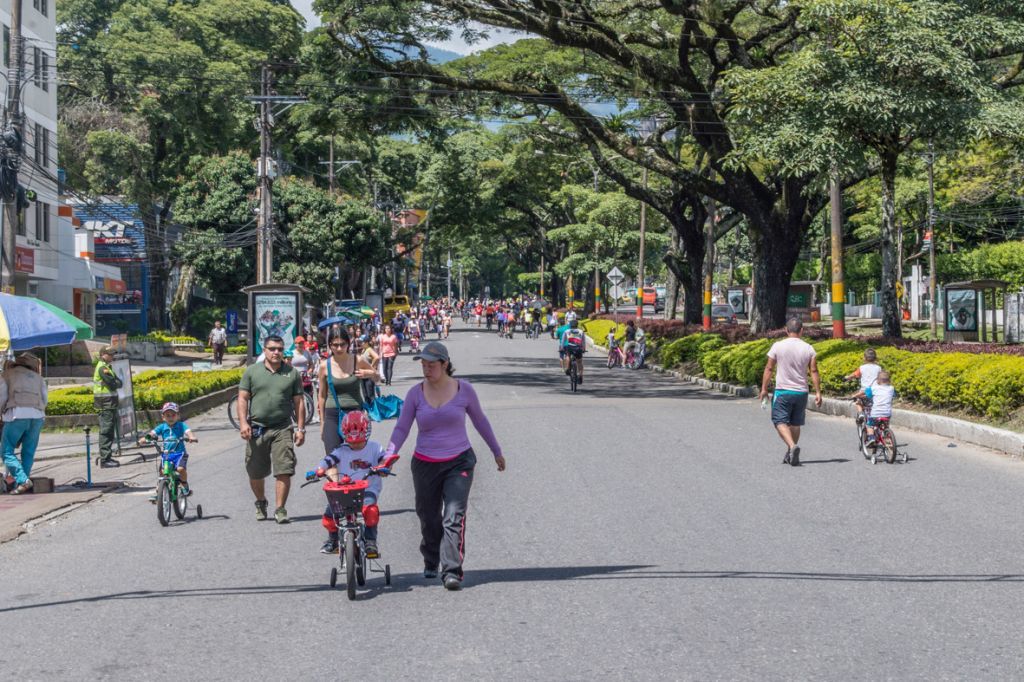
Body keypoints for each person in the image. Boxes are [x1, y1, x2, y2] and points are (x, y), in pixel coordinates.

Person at [386, 341, 505, 590]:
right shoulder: (415, 393)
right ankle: (431, 558)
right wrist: (390, 453)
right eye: (423, 365)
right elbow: (402, 427)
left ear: (445, 364)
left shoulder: (464, 390)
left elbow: (480, 421)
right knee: (428, 516)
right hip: (425, 463)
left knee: (453, 515)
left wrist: (496, 451)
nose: (426, 369)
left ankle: (452, 570)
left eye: (431, 365)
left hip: (459, 461)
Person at [237, 334, 306, 524]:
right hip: (257, 429)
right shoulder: (252, 372)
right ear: (264, 350)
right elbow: (242, 398)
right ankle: (261, 501)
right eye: (272, 349)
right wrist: (243, 423)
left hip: (282, 427)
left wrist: (300, 429)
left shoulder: (292, 373)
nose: (276, 352)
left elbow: (299, 402)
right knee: (255, 472)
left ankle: (280, 508)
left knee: (284, 469)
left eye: (280, 349)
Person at [312, 410, 400, 556]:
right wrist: (320, 469)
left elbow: (384, 460)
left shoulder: (375, 448)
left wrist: (384, 467)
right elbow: (328, 460)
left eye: (359, 442)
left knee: (370, 511)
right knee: (329, 516)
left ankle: (370, 541)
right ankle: (333, 541)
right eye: (352, 442)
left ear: (366, 433)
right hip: (345, 489)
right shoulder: (341, 450)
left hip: (367, 489)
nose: (356, 445)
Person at [758, 317, 822, 467]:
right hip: (801, 392)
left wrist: (764, 389)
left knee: (779, 421)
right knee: (795, 424)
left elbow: (769, 368)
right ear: (802, 330)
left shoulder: (777, 346)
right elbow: (813, 371)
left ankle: (792, 446)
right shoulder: (808, 348)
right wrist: (818, 392)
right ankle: (790, 452)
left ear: (786, 330)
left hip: (783, 391)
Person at [318, 328, 378, 456]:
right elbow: (322, 396)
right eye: (335, 345)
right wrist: (322, 422)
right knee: (332, 456)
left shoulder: (358, 360)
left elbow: (377, 377)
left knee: (357, 456)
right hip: (332, 415)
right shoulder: (324, 366)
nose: (339, 348)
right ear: (329, 345)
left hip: (355, 413)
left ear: (348, 344)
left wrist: (369, 373)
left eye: (342, 344)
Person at [0, 353, 47, 494]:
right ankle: (21, 484)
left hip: (17, 414)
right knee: (28, 452)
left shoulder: (6, 375)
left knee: (6, 451)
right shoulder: (38, 378)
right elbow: (45, 399)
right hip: (37, 416)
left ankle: (23, 480)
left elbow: (2, 397)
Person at [140, 402, 197, 502]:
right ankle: (159, 492)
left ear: (178, 415)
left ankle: (184, 484)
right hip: (167, 454)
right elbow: (152, 433)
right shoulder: (162, 427)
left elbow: (188, 431)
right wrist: (146, 438)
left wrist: (191, 437)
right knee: (162, 472)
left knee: (180, 469)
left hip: (180, 454)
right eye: (168, 415)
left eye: (173, 415)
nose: (170, 417)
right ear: (163, 417)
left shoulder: (181, 425)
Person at [93, 346, 123, 468]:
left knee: (109, 431)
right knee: (106, 431)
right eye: (110, 354)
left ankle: (107, 457)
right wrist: (117, 382)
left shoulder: (107, 367)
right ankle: (105, 459)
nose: (112, 356)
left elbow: (119, 382)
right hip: (105, 404)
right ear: (103, 354)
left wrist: (117, 382)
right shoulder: (102, 368)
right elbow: (114, 384)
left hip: (109, 404)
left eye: (113, 354)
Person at [854, 370, 896, 447]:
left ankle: (871, 438)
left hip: (876, 413)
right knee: (885, 425)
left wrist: (855, 396)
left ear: (877, 380)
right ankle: (887, 438)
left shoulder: (874, 388)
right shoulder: (891, 388)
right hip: (887, 413)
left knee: (869, 424)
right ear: (889, 380)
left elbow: (865, 393)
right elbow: (893, 395)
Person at [844, 348, 881, 423]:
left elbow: (854, 375)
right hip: (875, 392)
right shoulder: (879, 368)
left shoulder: (862, 368)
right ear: (875, 358)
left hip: (863, 392)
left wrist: (847, 377)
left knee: (858, 401)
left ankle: (861, 413)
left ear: (864, 358)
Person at [559, 319, 587, 383]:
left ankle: (568, 368)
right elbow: (583, 341)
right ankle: (580, 376)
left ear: (570, 325)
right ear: (577, 325)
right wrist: (584, 349)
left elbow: (563, 341)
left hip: (570, 347)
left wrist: (561, 348)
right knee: (579, 362)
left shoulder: (567, 331)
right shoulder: (581, 331)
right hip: (578, 348)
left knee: (568, 356)